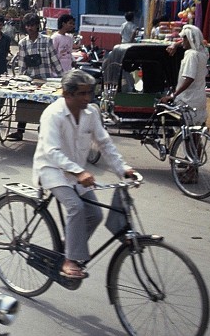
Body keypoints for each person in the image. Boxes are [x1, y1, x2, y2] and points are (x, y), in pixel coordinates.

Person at [32, 69, 136, 280]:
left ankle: (68, 246)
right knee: (76, 207)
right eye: (82, 93)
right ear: (67, 94)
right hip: (52, 170)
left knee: (95, 214)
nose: (87, 98)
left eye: (89, 93)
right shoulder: (53, 114)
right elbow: (52, 151)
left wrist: (123, 169)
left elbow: (104, 143)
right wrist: (79, 172)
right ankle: (70, 259)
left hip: (76, 173)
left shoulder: (91, 113)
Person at [10, 13, 62, 141]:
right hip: (29, 80)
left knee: (45, 106)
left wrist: (63, 76)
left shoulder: (47, 40)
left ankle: (43, 131)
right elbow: (21, 63)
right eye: (27, 25)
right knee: (23, 103)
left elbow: (54, 60)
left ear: (37, 26)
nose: (30, 28)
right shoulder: (23, 43)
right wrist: (19, 79)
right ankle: (20, 131)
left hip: (45, 79)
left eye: (32, 25)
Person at [161, 24, 209, 125]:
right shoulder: (203, 52)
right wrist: (175, 44)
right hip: (199, 98)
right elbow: (196, 41)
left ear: (190, 39)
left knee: (186, 129)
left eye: (184, 38)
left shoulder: (191, 55)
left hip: (188, 99)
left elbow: (189, 78)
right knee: (195, 129)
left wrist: (173, 95)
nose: (182, 41)